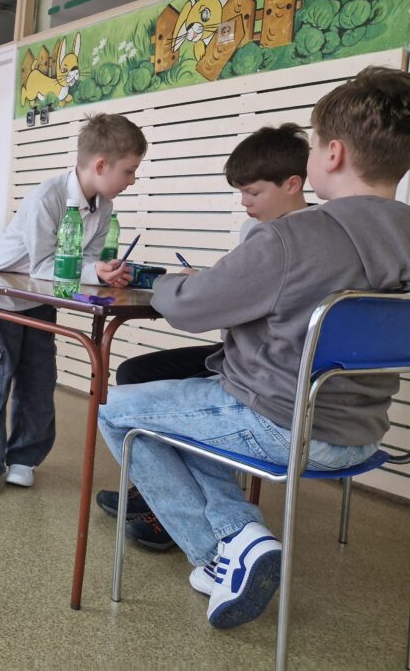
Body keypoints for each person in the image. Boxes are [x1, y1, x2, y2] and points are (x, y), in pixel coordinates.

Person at [97, 67, 410, 630]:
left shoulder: (292, 236)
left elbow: (192, 307)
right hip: (363, 434)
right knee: (191, 419)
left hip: (278, 423)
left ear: (332, 153)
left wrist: (165, 283)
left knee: (117, 412)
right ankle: (241, 535)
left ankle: (219, 551)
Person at [97, 124, 311, 550]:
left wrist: (175, 284)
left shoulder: (279, 239)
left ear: (293, 184)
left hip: (263, 371)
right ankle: (164, 493)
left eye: (253, 193)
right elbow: (249, 289)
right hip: (270, 362)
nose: (245, 203)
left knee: (122, 399)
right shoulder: (295, 234)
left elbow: (202, 307)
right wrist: (213, 281)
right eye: (241, 193)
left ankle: (199, 531)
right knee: (137, 371)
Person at [0, 113, 148, 493]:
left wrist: (103, 271)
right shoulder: (46, 198)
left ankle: (23, 457)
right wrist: (91, 271)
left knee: (39, 381)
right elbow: (43, 265)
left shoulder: (104, 207)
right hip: (0, 297)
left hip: (39, 297)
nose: (132, 180)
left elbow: (84, 262)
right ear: (101, 165)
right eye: (129, 171)